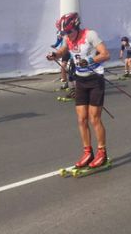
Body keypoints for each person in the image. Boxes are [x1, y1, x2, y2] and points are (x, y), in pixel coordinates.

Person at [46, 12, 112, 169]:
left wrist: (89, 60)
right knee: (81, 119)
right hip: (81, 80)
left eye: (69, 31)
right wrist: (54, 55)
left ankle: (102, 153)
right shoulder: (68, 38)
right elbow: (63, 51)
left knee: (94, 118)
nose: (67, 35)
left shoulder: (90, 35)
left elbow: (105, 54)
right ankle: (88, 152)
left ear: (76, 26)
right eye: (64, 32)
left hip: (95, 80)